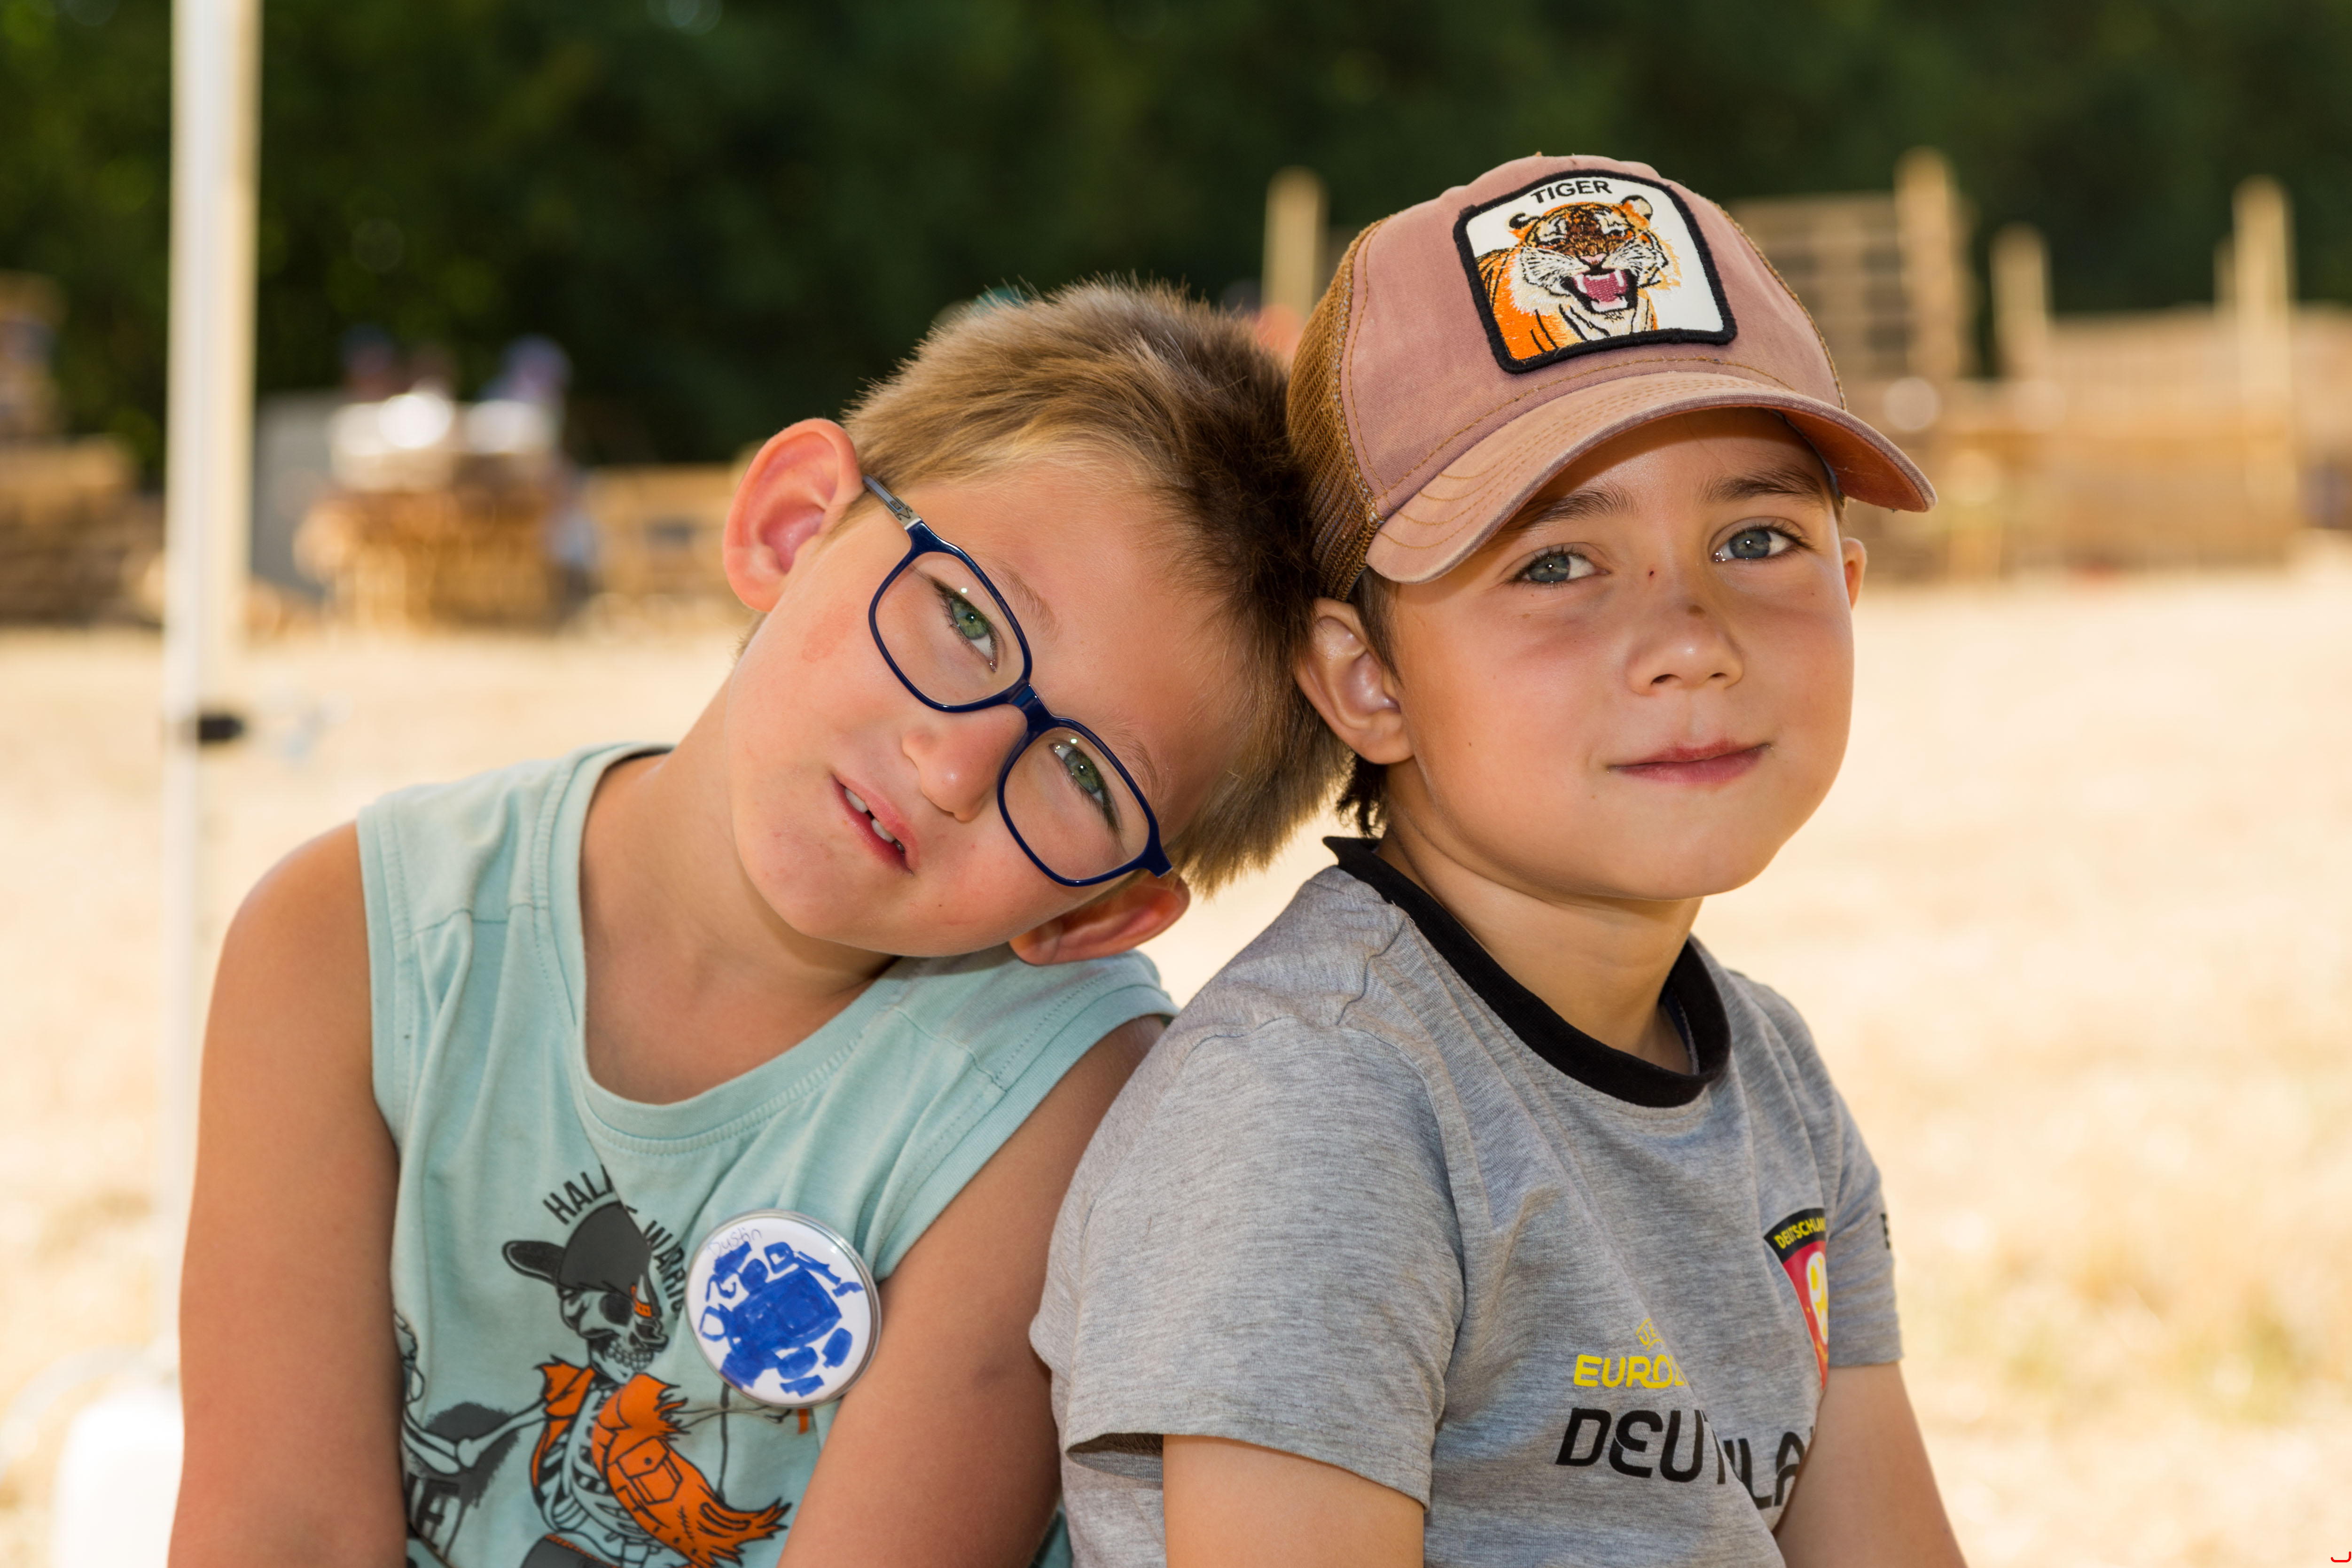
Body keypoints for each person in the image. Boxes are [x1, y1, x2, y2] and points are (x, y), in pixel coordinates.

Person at [172, 281, 1348, 1568]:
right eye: (966, 617)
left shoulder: (1055, 1104)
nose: (957, 766)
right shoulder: (349, 941)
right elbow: (278, 1531)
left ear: (1103, 913)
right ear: (790, 526)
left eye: (1083, 774)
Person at [1034, 156, 1972, 1567]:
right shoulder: (1316, 1108)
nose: (1690, 636)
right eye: (1555, 565)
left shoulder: (1772, 1077)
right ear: (1367, 680)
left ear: (1849, 589)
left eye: (1756, 538)